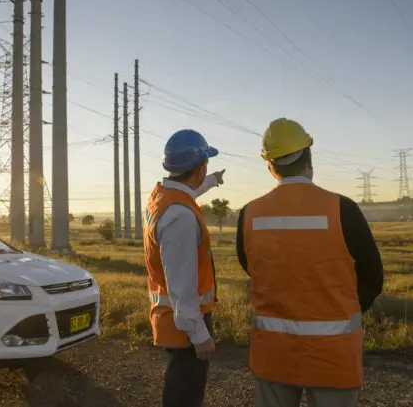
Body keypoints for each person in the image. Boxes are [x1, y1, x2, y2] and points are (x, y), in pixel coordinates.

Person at [236, 118, 384, 407]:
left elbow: (251, 267)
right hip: (333, 356)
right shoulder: (343, 209)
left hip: (274, 354)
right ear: (309, 157)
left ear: (270, 166)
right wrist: (340, 308)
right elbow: (372, 278)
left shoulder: (249, 214)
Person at [143, 129, 225, 407]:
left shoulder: (162, 196)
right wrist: (200, 334)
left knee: (180, 392)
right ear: (199, 169)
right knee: (184, 397)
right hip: (184, 327)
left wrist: (213, 181)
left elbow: (189, 189)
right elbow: (181, 284)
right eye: (206, 169)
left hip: (171, 319)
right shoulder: (181, 217)